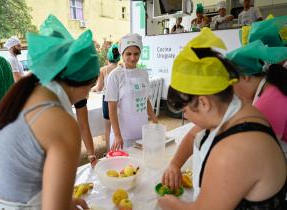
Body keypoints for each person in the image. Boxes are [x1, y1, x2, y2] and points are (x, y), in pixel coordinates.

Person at [0, 15, 99, 210]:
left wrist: (65, 202)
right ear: (82, 80)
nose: (89, 92)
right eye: (91, 85)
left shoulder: (24, 93)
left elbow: (20, 174)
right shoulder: (62, 124)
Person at [159, 28, 287, 210]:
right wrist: (174, 164)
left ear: (203, 103)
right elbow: (195, 133)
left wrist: (169, 203)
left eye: (185, 111)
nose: (186, 117)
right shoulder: (241, 112)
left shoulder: (232, 151)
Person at [227, 40, 287, 155]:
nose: (232, 93)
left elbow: (262, 154)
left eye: (231, 85)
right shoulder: (273, 86)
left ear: (245, 77)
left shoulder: (268, 103)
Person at [105, 33, 158, 151]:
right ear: (122, 54)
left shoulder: (143, 73)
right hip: (123, 136)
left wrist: (155, 120)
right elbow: (112, 109)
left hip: (141, 132)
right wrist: (118, 136)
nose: (133, 58)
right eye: (128, 54)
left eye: (136, 54)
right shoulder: (115, 76)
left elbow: (146, 101)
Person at [92, 44, 120, 150]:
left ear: (108, 57)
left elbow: (99, 88)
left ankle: (109, 151)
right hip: (119, 101)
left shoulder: (103, 70)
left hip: (107, 100)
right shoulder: (122, 68)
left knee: (108, 129)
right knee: (119, 126)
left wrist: (91, 89)